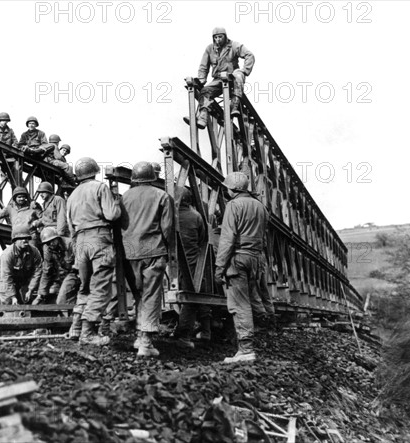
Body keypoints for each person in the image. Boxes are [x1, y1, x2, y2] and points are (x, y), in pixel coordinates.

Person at [120, 161, 174, 358]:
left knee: (139, 295)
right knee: (151, 296)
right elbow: (167, 228)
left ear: (134, 178)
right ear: (153, 177)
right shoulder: (162, 196)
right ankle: (146, 342)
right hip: (153, 250)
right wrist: (169, 250)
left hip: (130, 253)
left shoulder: (124, 197)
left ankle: (139, 334)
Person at [66, 157, 121, 345]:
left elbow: (69, 227)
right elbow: (112, 215)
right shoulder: (100, 187)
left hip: (80, 242)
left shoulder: (72, 195)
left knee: (85, 287)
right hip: (98, 237)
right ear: (95, 171)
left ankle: (75, 328)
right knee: (101, 287)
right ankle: (88, 333)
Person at [215, 171, 268, 364]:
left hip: (237, 258)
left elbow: (227, 239)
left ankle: (246, 349)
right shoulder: (260, 206)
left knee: (240, 304)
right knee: (251, 300)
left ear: (232, 189)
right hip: (255, 258)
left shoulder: (233, 205)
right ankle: (253, 340)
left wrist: (219, 267)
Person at [184, 27, 255, 129]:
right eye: (216, 37)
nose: (218, 39)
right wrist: (201, 79)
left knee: (239, 75)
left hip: (232, 77)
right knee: (205, 91)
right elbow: (204, 66)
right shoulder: (210, 49)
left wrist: (244, 70)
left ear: (225, 36)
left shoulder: (234, 46)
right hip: (218, 79)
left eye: (220, 37)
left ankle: (234, 105)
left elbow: (250, 55)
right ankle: (202, 117)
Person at [172, 188, 211, 348]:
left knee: (184, 296)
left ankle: (182, 332)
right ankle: (199, 332)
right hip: (193, 262)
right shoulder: (196, 216)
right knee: (196, 295)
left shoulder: (169, 216)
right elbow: (203, 238)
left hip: (173, 263)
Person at [0, 225, 43, 305]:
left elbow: (37, 272)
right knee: (8, 302)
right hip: (3, 278)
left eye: (27, 238)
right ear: (15, 241)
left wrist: (30, 290)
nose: (25, 240)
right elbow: (6, 277)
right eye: (22, 238)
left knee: (27, 300)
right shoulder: (7, 254)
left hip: (22, 278)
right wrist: (13, 297)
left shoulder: (34, 252)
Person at [32, 227, 70, 305]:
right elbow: (47, 270)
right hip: (60, 277)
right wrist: (40, 294)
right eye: (48, 243)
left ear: (57, 238)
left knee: (63, 299)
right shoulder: (47, 249)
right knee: (51, 294)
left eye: (52, 241)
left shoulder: (69, 244)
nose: (51, 244)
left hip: (74, 275)